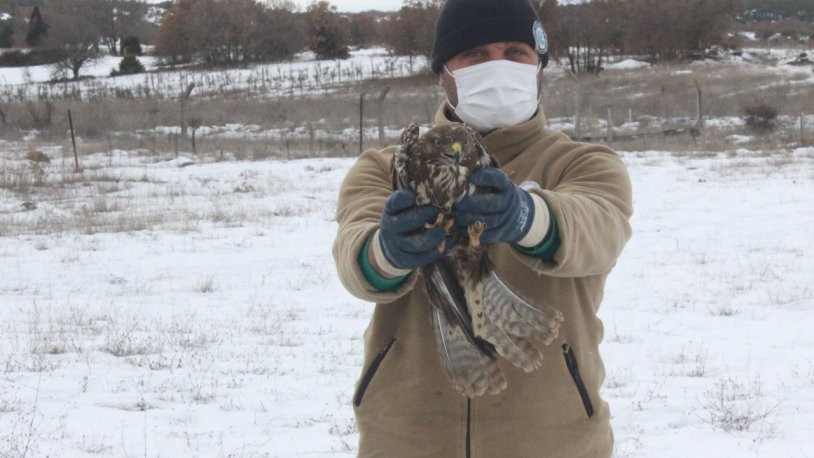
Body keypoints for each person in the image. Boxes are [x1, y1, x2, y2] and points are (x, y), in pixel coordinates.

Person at [332, 0, 632, 456]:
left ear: (538, 67)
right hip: (408, 436)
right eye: (475, 54)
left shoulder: (584, 163)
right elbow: (355, 255)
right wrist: (387, 253)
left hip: (552, 439)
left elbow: (599, 231)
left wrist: (528, 217)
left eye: (516, 52)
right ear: (442, 73)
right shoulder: (383, 166)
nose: (498, 66)